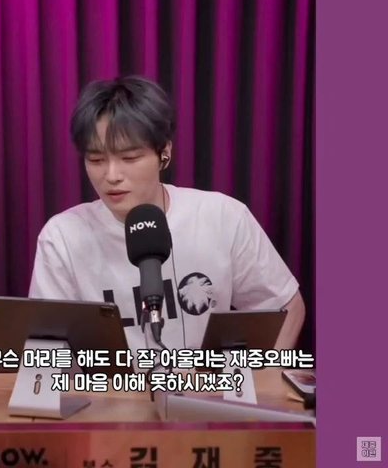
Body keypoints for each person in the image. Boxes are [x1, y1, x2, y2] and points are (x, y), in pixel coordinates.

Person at [29, 75, 305, 354]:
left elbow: (285, 307)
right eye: (96, 160)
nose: (111, 176)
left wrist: (260, 375)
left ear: (164, 153)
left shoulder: (223, 217)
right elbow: (46, 349)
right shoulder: (62, 237)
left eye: (130, 158)